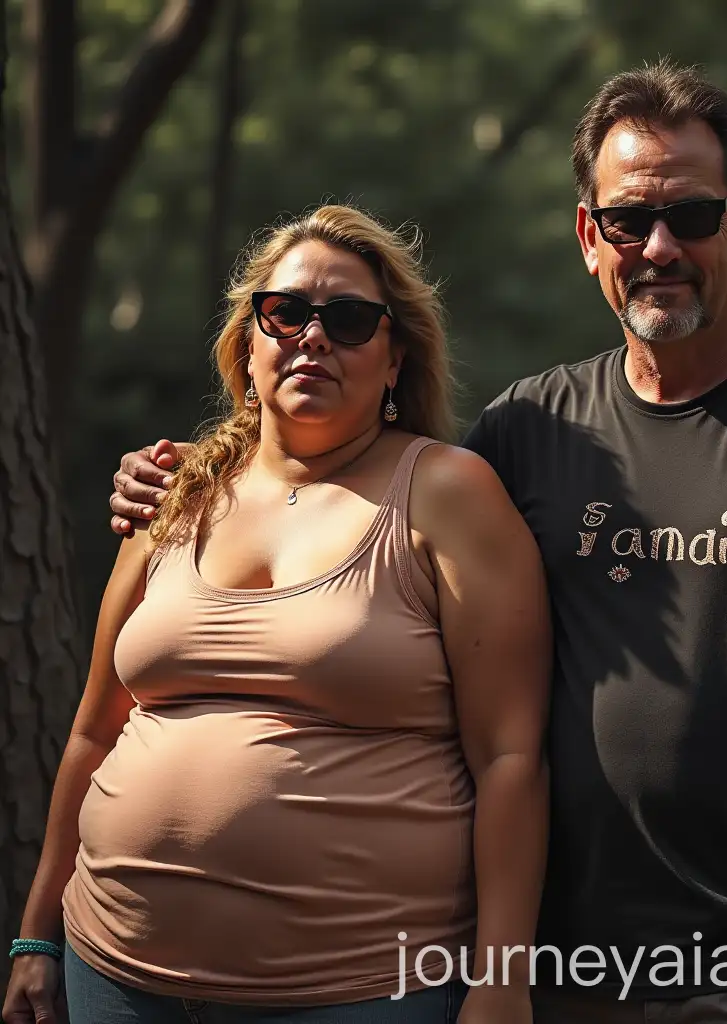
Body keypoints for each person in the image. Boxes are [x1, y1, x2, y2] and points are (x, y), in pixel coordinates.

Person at [103, 59, 727, 1024]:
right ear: (589, 237)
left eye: (691, 217)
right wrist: (193, 476)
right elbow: (352, 498)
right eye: (627, 220)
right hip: (565, 964)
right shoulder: (530, 429)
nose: (658, 246)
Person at [4, 204, 552, 1024]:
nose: (313, 336)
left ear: (395, 358)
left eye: (352, 320)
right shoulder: (175, 493)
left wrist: (501, 983)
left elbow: (510, 757)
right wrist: (35, 939)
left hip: (359, 988)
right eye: (286, 312)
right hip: (112, 975)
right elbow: (94, 730)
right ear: (249, 345)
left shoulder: (447, 493)